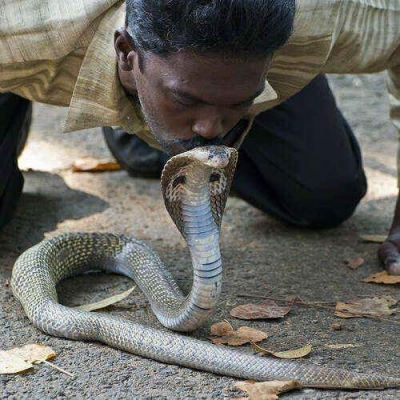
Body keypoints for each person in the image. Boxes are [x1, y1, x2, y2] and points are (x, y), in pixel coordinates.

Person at [0, 1, 399, 274]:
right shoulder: (22, 28)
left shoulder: (325, 15)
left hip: (230, 65)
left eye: (236, 103)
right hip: (24, 64)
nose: (211, 129)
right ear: (126, 52)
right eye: (186, 100)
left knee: (322, 196)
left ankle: (152, 130)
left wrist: (236, 97)